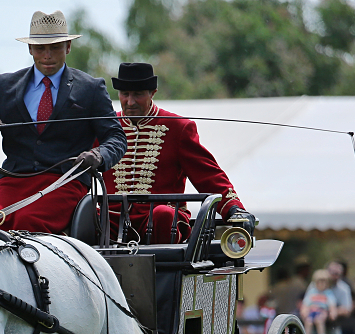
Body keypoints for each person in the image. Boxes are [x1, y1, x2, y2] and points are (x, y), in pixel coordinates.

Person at [0, 9, 127, 234]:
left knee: (26, 223)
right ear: (30, 48)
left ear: (68, 47)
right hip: (13, 181)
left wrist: (98, 156)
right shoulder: (5, 85)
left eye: (55, 47)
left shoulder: (91, 88)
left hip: (64, 181)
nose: (47, 55)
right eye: (41, 48)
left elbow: (116, 138)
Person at [101, 62, 255, 243]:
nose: (130, 102)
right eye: (125, 94)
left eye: (138, 94)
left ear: (153, 93)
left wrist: (234, 208)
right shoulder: (106, 126)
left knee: (163, 214)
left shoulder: (178, 128)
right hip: (112, 221)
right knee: (86, 214)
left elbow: (207, 174)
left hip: (162, 221)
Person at [300, 269, 338, 334]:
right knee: (308, 321)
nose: (321, 284)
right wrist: (304, 311)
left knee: (319, 320)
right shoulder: (312, 292)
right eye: (319, 282)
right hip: (312, 311)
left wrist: (332, 312)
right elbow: (306, 303)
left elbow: (332, 305)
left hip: (322, 311)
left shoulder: (328, 293)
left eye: (324, 282)